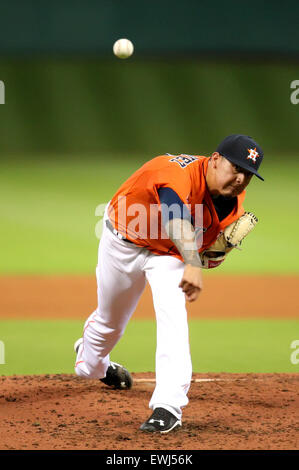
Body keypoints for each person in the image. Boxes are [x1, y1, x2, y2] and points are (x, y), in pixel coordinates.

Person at [74, 134, 264, 433]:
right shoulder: (174, 171)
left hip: (169, 255)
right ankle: (93, 363)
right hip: (123, 242)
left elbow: (206, 251)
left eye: (248, 174)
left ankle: (168, 406)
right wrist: (193, 261)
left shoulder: (231, 203)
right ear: (214, 160)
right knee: (109, 323)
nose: (240, 179)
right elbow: (175, 214)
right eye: (235, 168)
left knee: (173, 317)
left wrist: (205, 258)